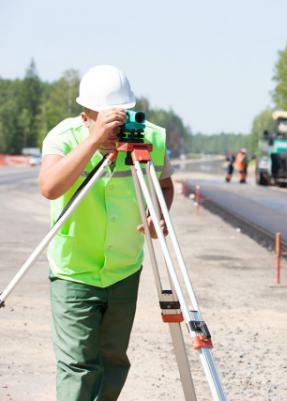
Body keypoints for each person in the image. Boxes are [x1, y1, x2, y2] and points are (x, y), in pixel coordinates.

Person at [38, 65, 175, 401]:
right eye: (107, 118)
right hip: (75, 270)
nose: (117, 126)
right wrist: (94, 141)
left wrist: (159, 213)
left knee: (113, 361)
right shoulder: (64, 137)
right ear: (86, 114)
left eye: (122, 116)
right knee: (78, 365)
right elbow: (50, 187)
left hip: (124, 267)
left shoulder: (150, 139)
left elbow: (166, 185)